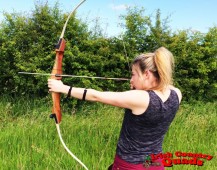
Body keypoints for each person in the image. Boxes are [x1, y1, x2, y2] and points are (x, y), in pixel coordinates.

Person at [48, 47, 182, 170]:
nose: (131, 78)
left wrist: (62, 88)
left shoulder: (141, 98)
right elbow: (163, 87)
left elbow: (96, 96)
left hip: (129, 166)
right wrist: (139, 84)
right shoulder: (176, 94)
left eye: (134, 74)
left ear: (146, 74)